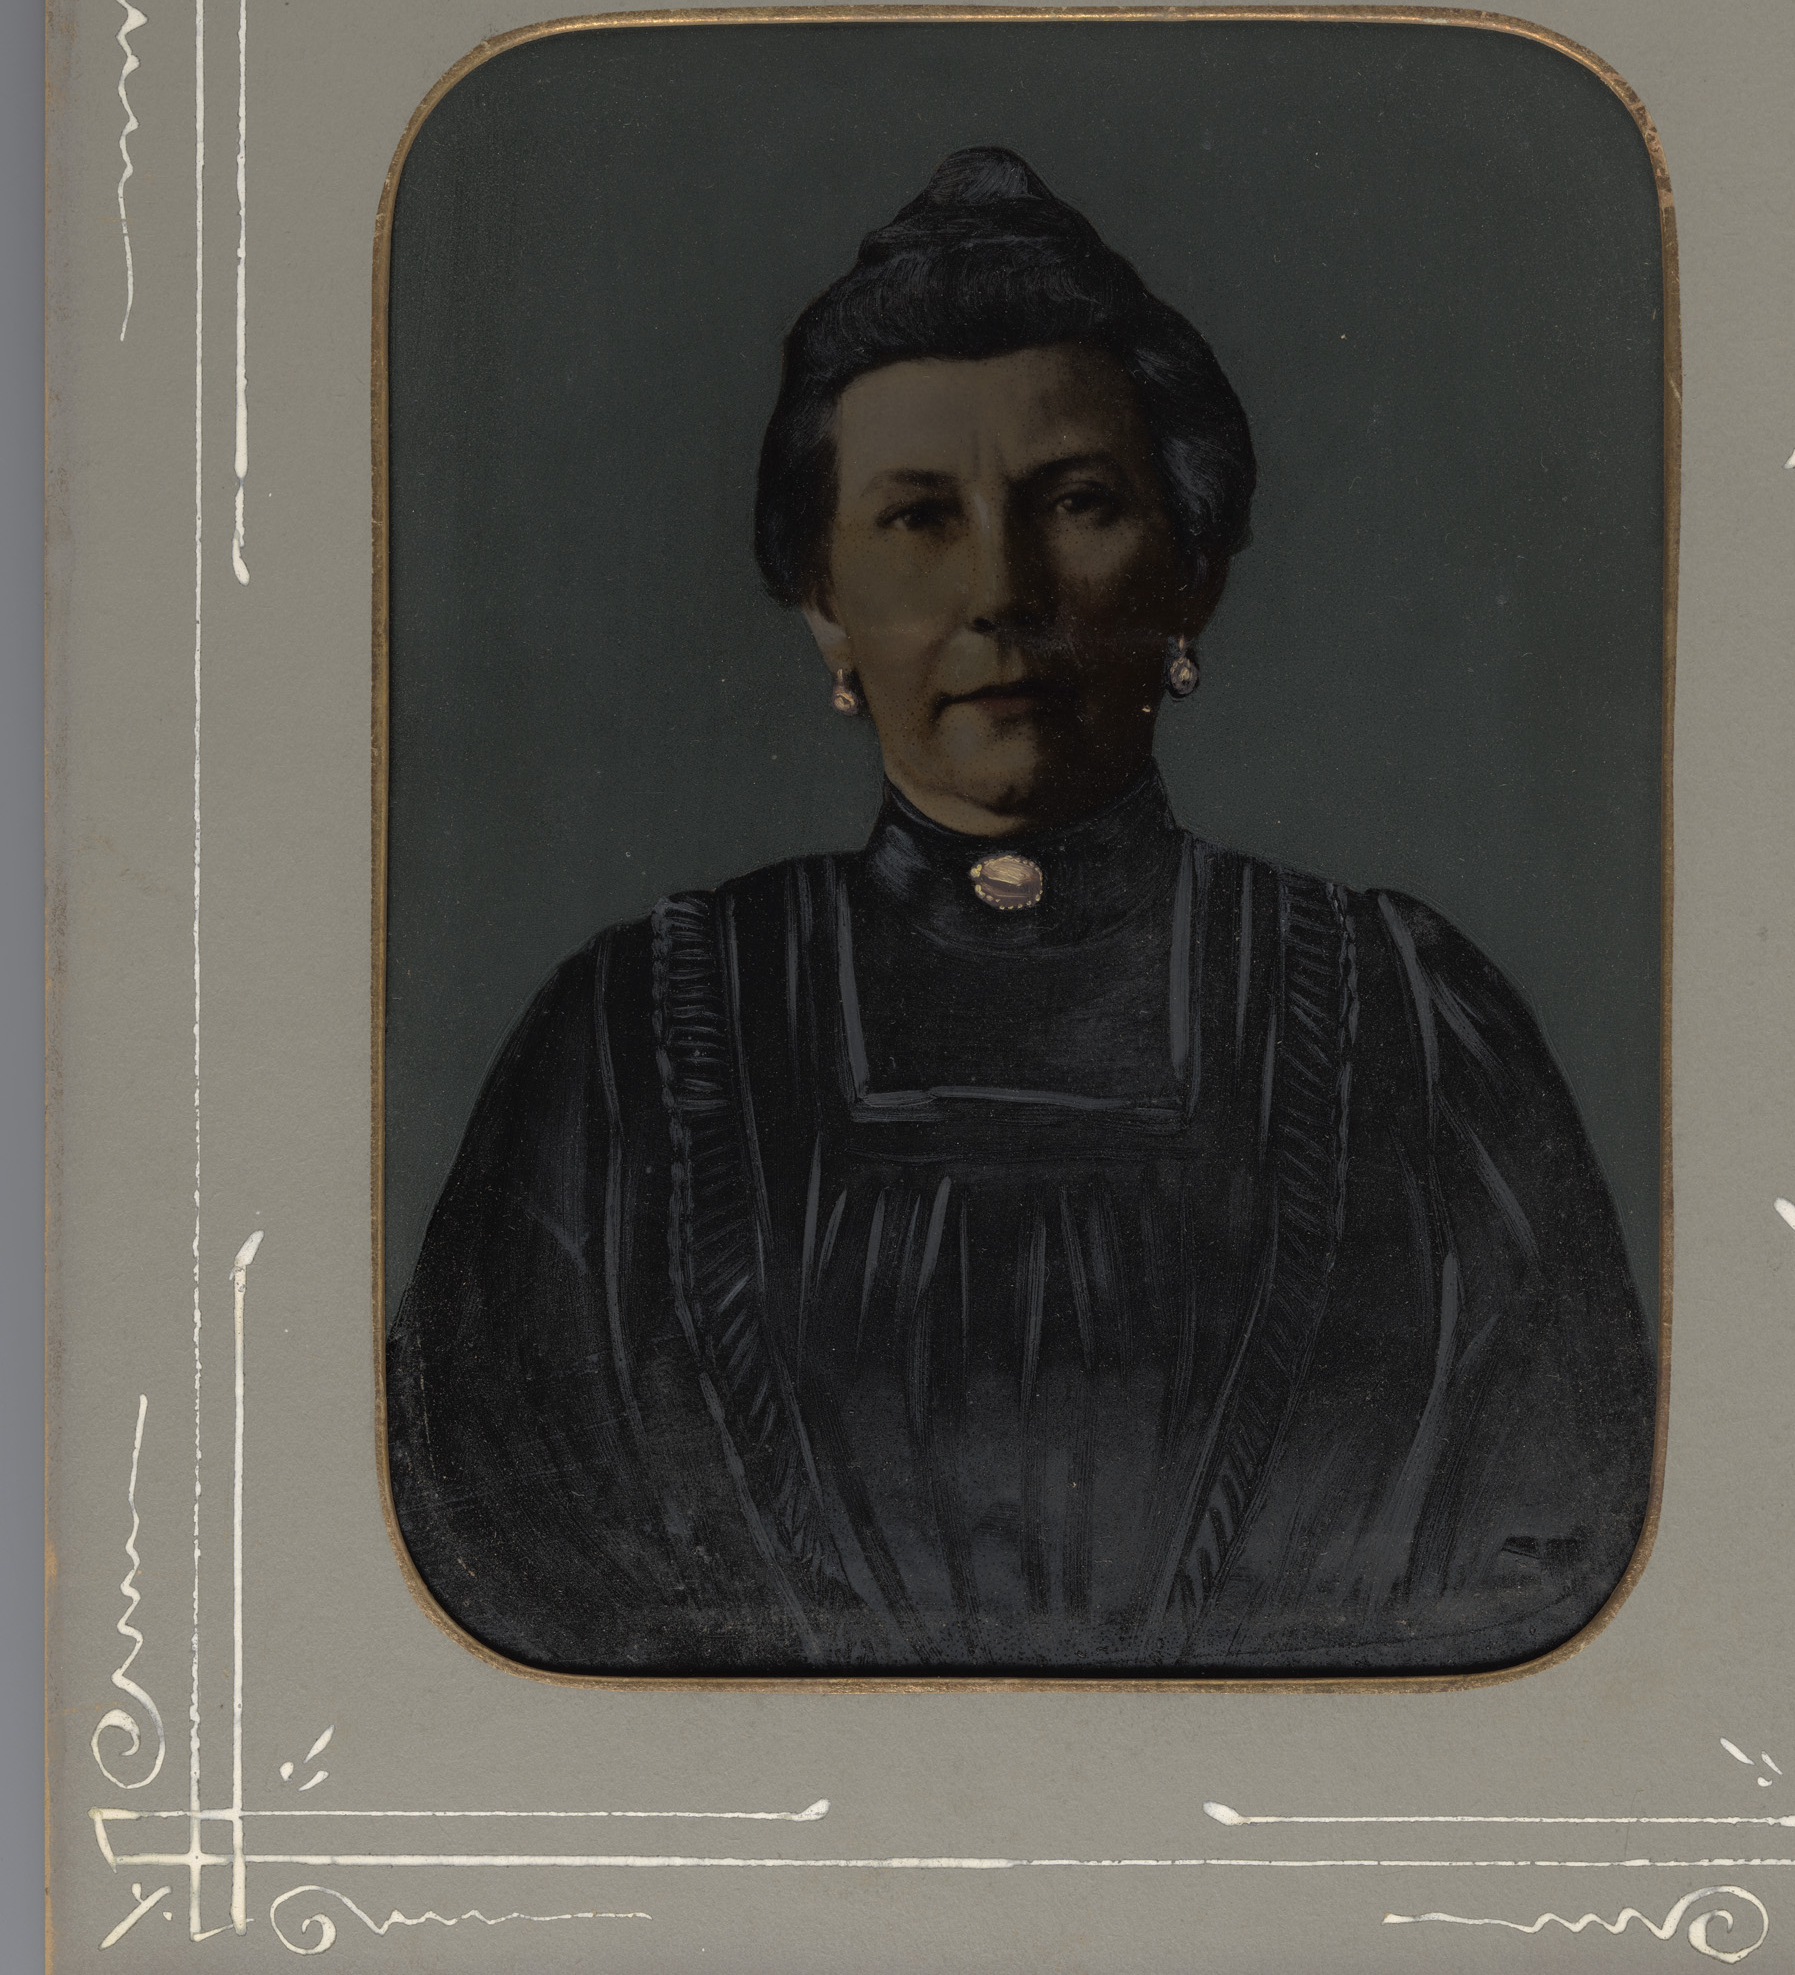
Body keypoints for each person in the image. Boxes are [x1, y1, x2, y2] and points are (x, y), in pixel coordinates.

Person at [385, 146, 1656, 1677]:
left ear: (1192, 570)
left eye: (1079, 504)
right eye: (918, 519)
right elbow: (496, 1573)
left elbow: (1557, 1557)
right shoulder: (625, 1054)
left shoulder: (1408, 1033)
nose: (1003, 590)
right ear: (823, 603)